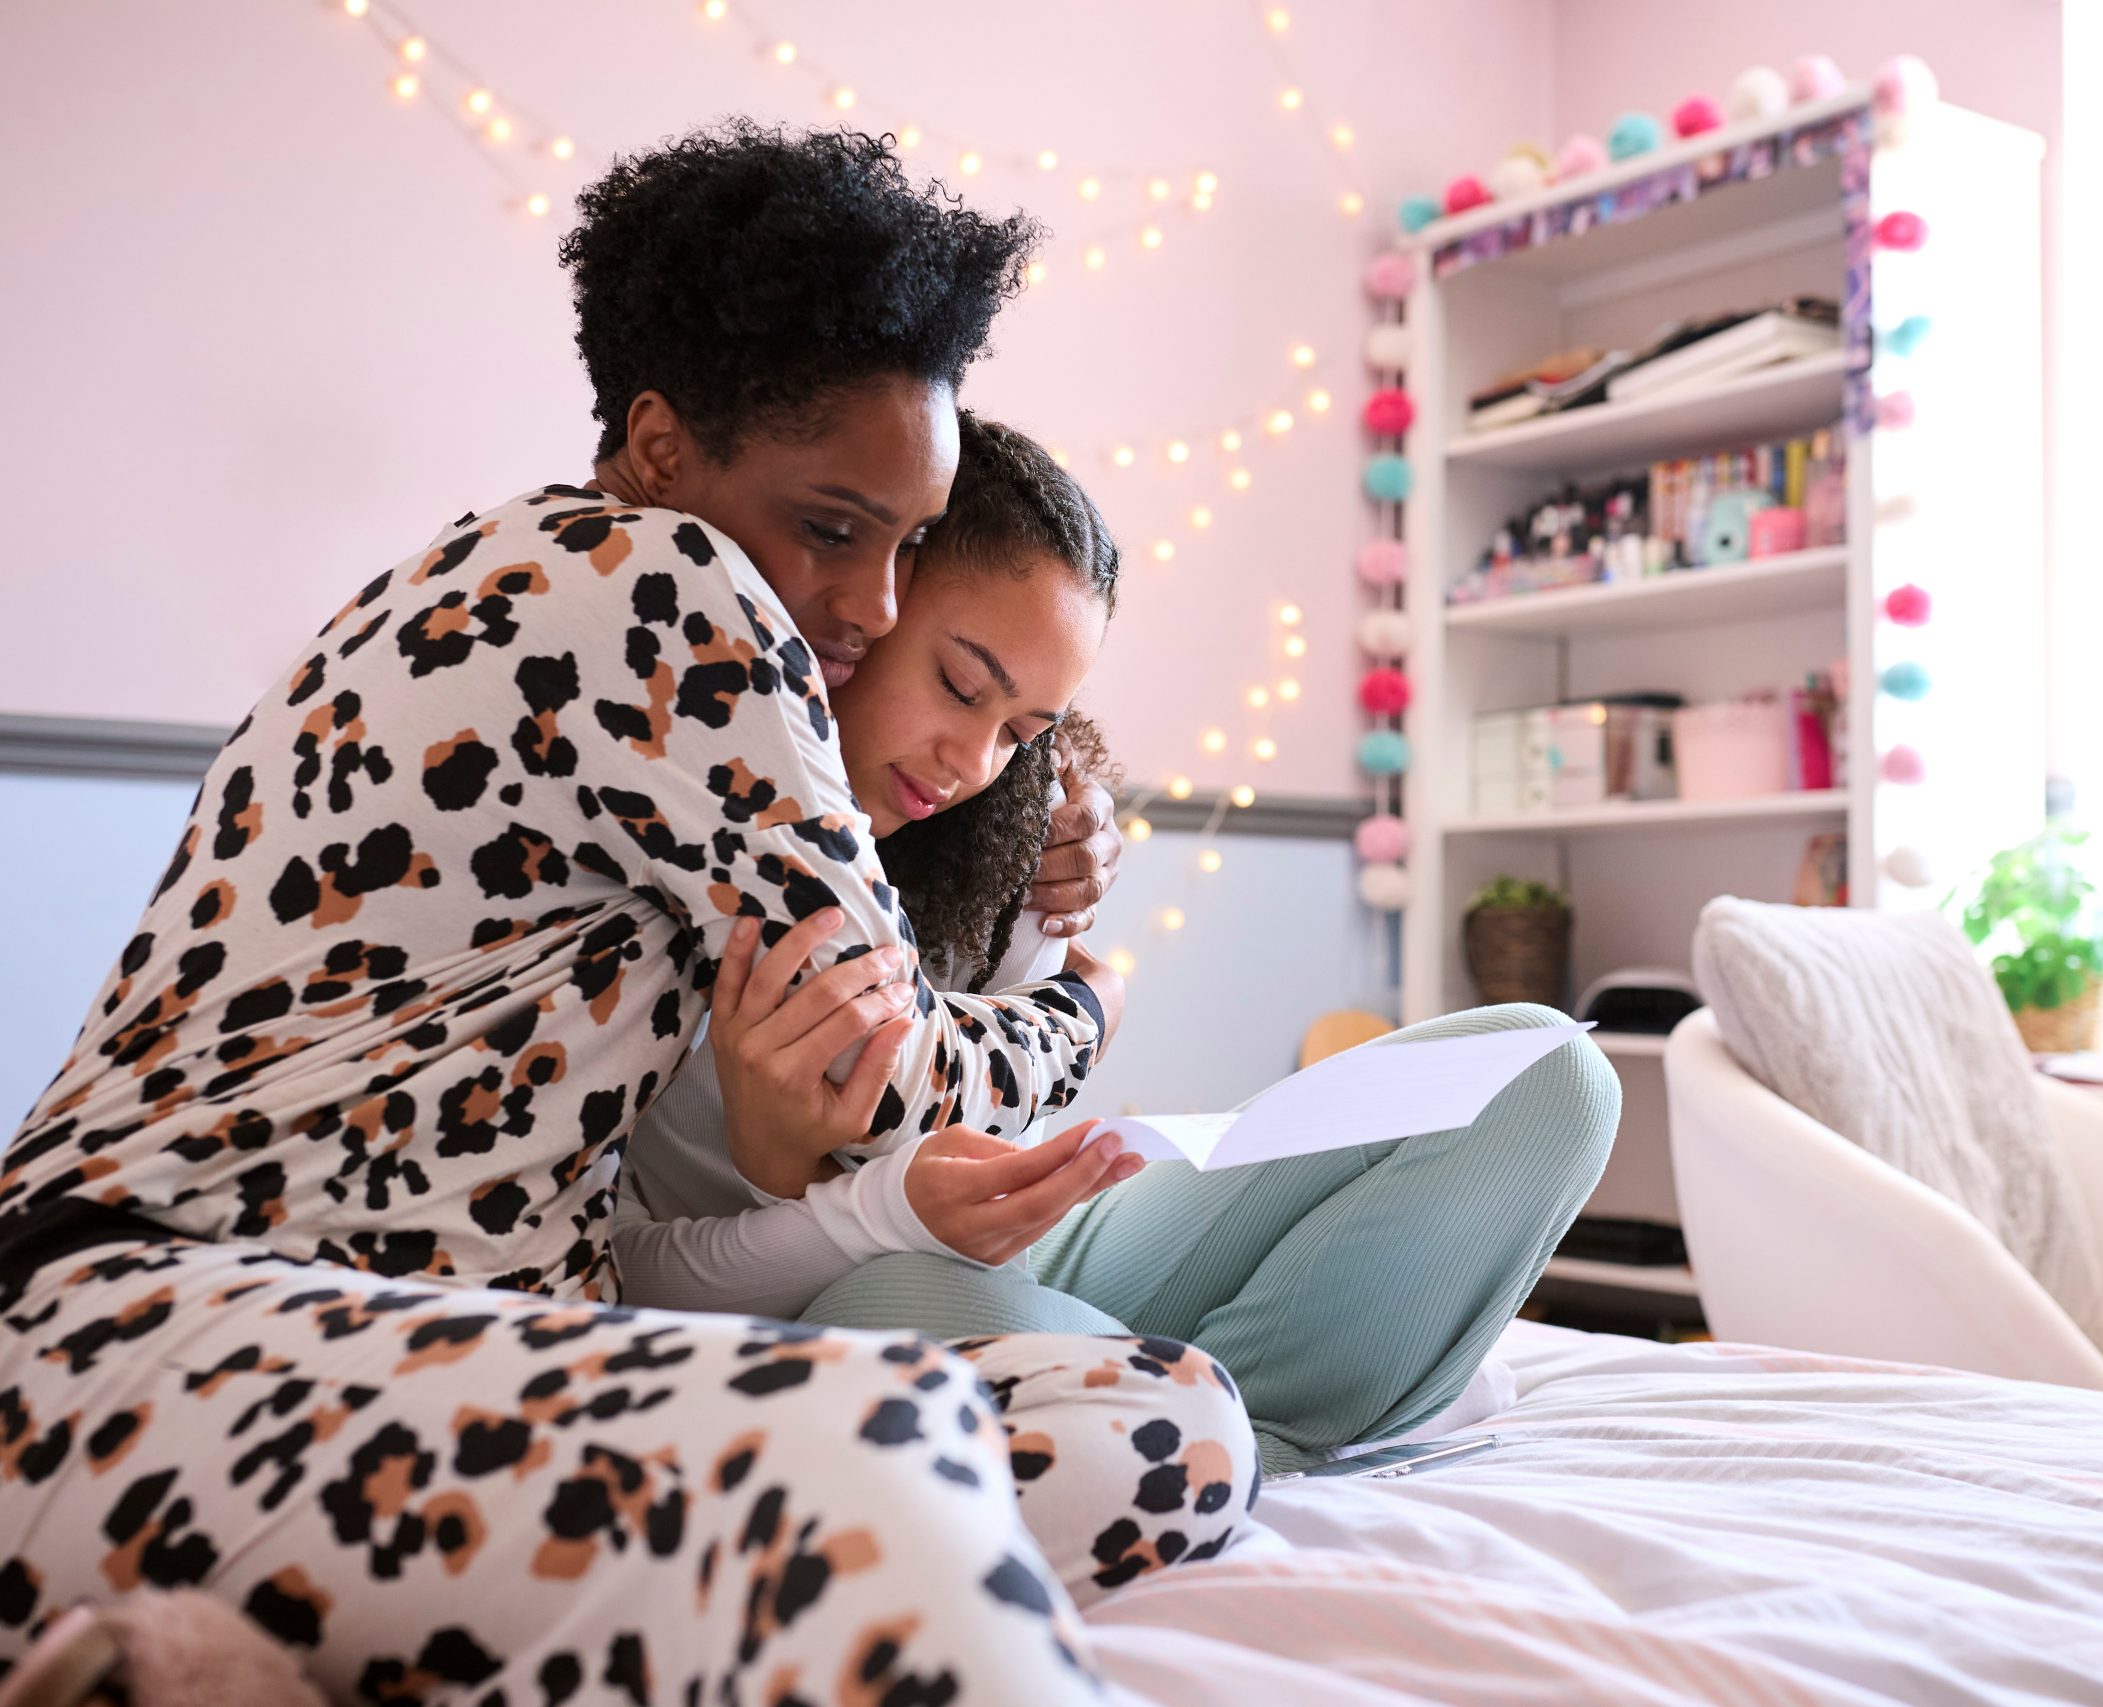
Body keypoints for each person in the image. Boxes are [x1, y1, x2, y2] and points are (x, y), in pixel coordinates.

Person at [0, 123, 1252, 1702]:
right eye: (835, 526)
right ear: (660, 451)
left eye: (910, 541)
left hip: (447, 1354)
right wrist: (1089, 1006)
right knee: (885, 1456)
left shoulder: (522, 583)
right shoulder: (652, 587)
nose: (872, 602)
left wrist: (1056, 822)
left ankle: (263, 1657)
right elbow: (898, 1065)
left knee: (1166, 1426)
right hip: (143, 1327)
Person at [617, 414, 1624, 1488]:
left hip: (1048, 1245)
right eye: (960, 687)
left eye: (1022, 728)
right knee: (894, 1306)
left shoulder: (1007, 833)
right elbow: (633, 1285)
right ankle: (1286, 1418)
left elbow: (1008, 1120)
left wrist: (1076, 997)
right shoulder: (678, 847)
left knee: (1548, 1072)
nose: (969, 762)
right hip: (835, 1295)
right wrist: (796, 1184)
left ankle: (1241, 1421)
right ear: (862, 615)